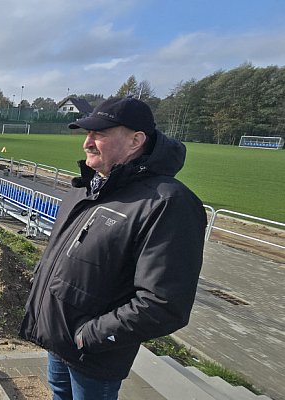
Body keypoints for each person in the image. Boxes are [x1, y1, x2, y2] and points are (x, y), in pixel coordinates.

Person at [18, 97, 206, 400]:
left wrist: (88, 336)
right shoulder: (86, 188)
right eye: (86, 134)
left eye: (100, 134)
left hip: (93, 354)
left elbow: (164, 303)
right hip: (58, 339)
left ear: (136, 140)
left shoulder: (167, 204)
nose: (87, 143)